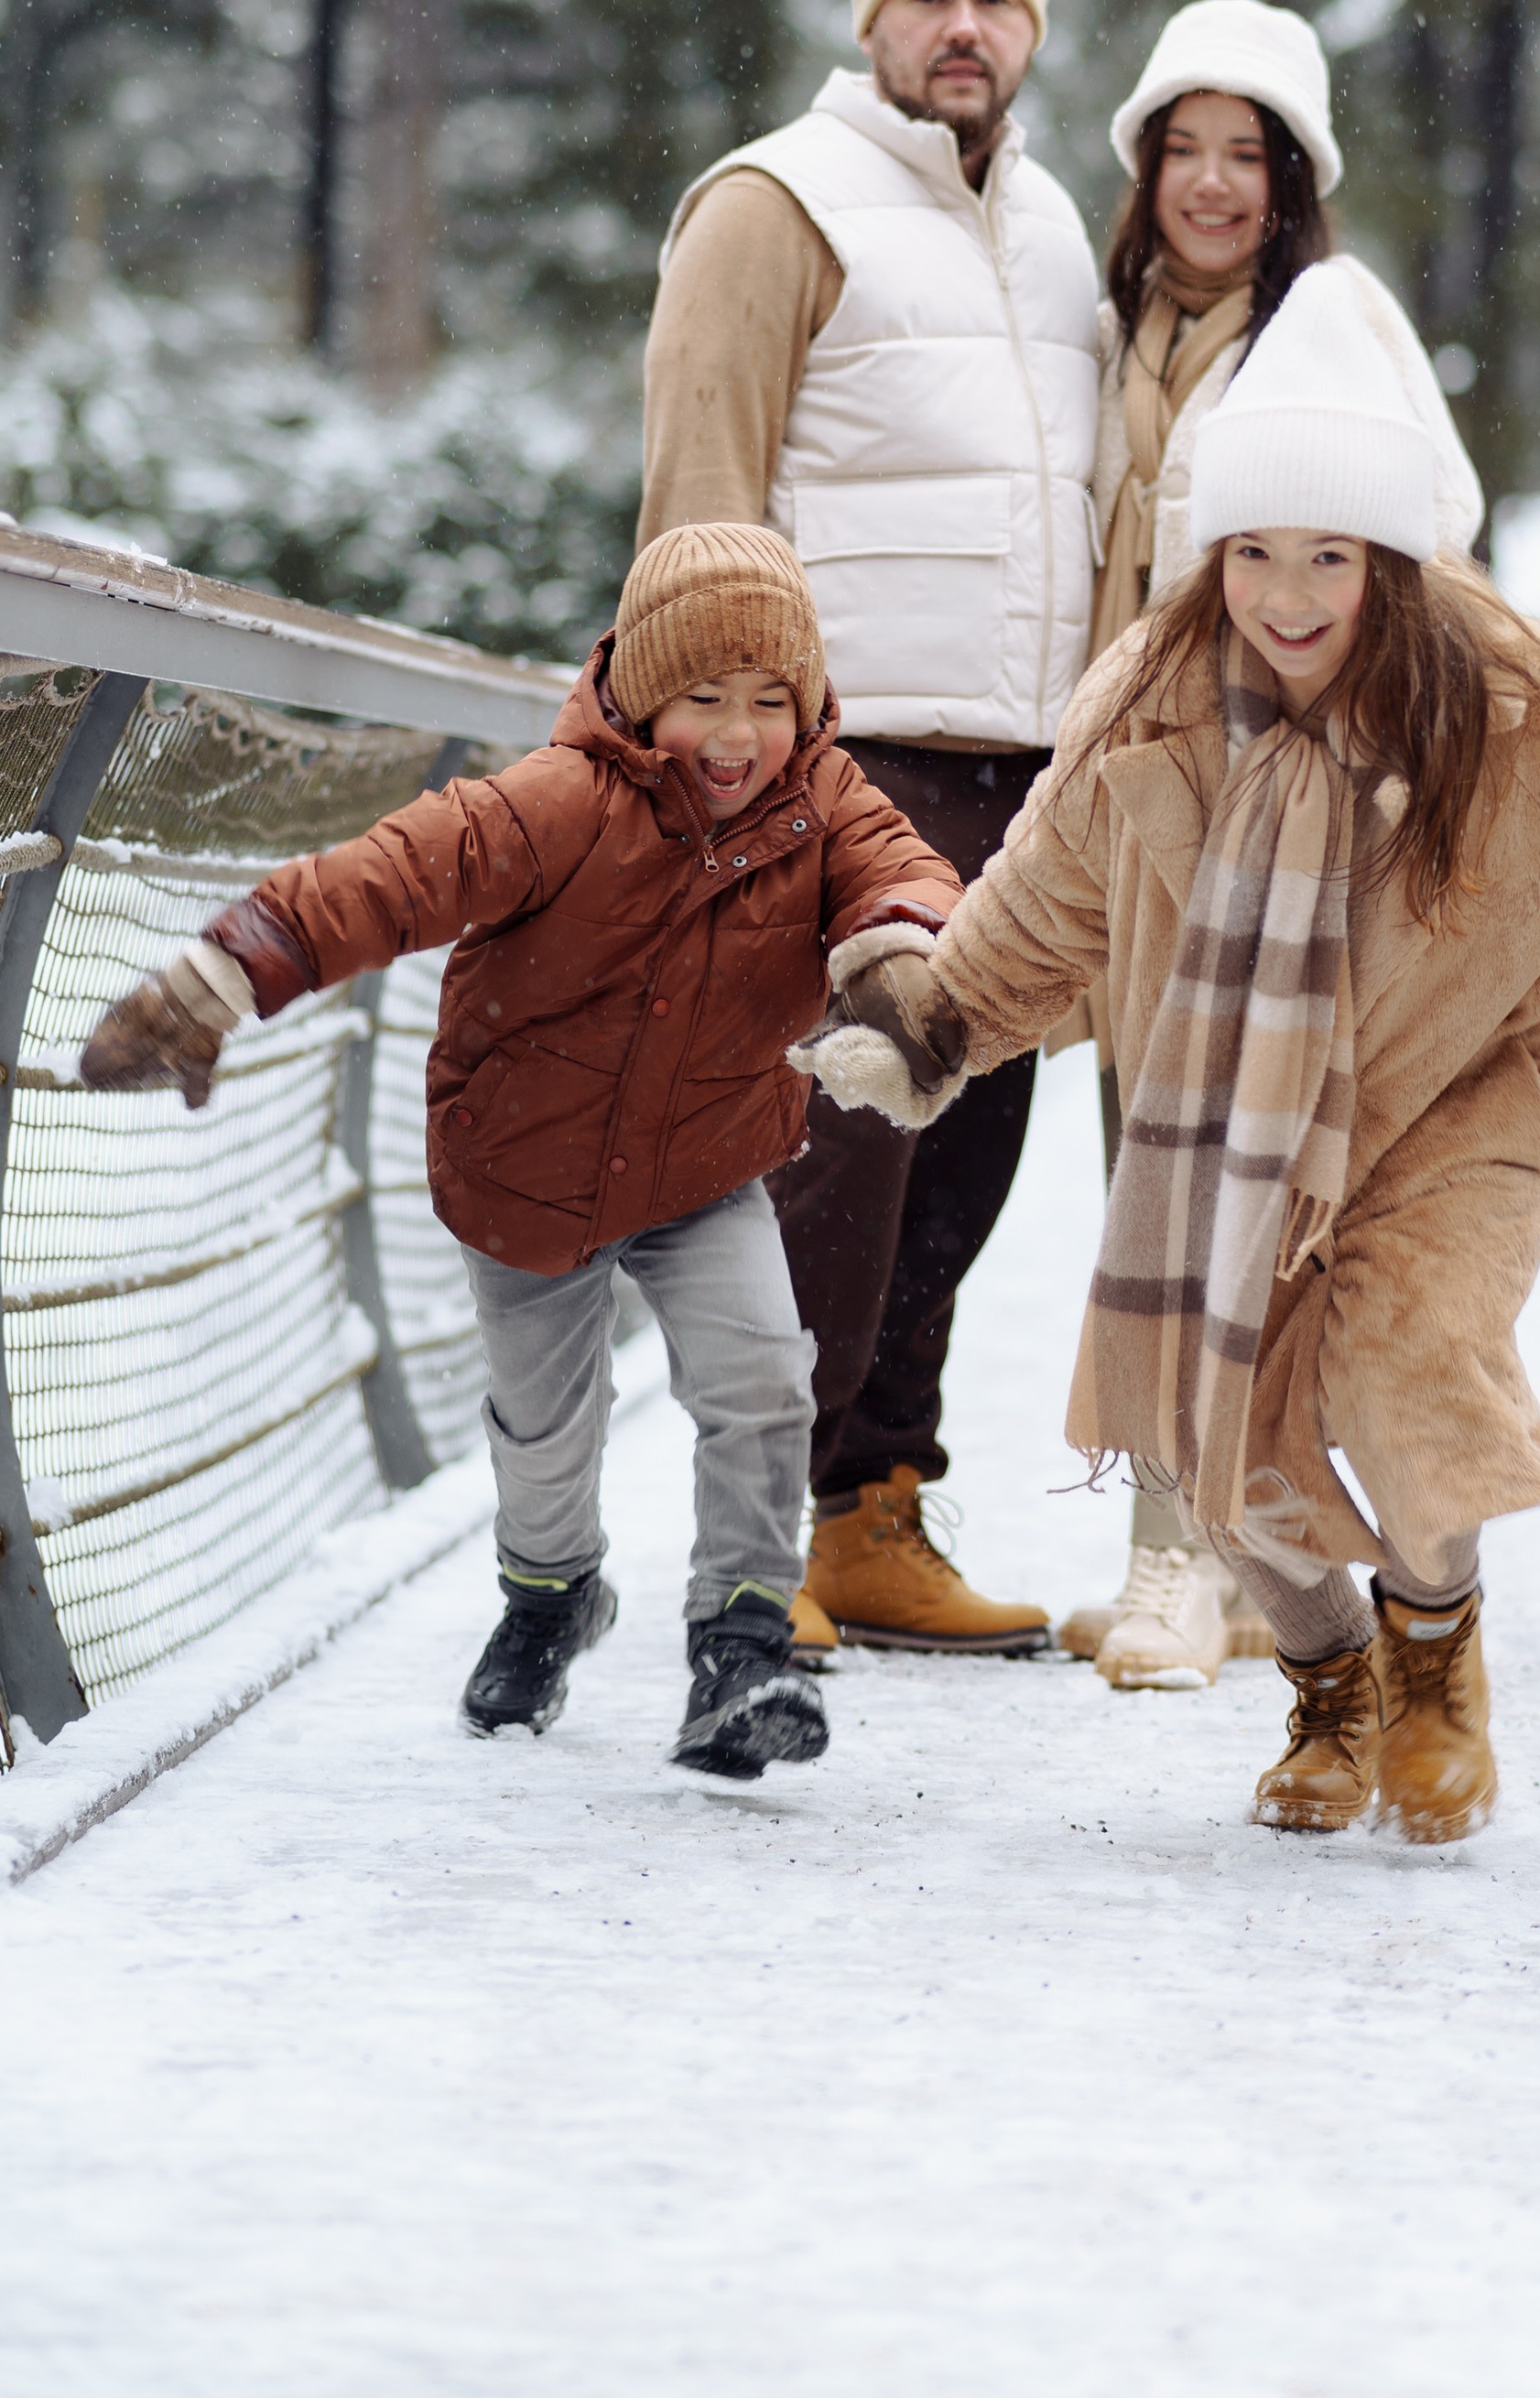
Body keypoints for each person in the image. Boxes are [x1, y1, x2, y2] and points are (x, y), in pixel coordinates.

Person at [795, 268, 1540, 1840]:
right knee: (1226, 1460)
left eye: (1328, 555)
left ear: (1392, 558)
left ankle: (1436, 1659)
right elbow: (1044, 900)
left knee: (1412, 1379)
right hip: (1226, 1116)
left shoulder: (1529, 717)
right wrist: (930, 1034)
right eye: (1254, 551)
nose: (1286, 593)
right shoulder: (1152, 707)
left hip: (1463, 1099)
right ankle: (1333, 1693)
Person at [74, 524, 961, 1783]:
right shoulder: (561, 804)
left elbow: (901, 875)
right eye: (702, 696)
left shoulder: (825, 806)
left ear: (809, 709)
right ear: (643, 695)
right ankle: (550, 1599)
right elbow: (384, 879)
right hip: (531, 1173)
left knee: (765, 1376)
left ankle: (742, 1644)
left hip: (706, 1164)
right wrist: (222, 976)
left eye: (771, 701)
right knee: (550, 1427)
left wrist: (902, 960)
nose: (737, 733)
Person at [638, 0, 1100, 1659]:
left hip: (1026, 778)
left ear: (1030, 31)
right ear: (869, 17)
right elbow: (697, 492)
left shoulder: (1057, 228)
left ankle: (872, 1515)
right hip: (842, 767)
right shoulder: (775, 205)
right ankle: (749, 1541)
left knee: (965, 1157)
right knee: (825, 1161)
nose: (962, 27)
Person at [1061, 0, 1483, 1691]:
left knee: (1254, 1191)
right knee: (1148, 1182)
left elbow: (1439, 531)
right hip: (1135, 815)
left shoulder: (1333, 323)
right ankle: (1196, 1552)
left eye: (1250, 154)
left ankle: (1233, 1565)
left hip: (1280, 824)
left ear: (1296, 175)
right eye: (1185, 147)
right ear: (1145, 163)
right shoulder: (1116, 331)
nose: (1214, 184)